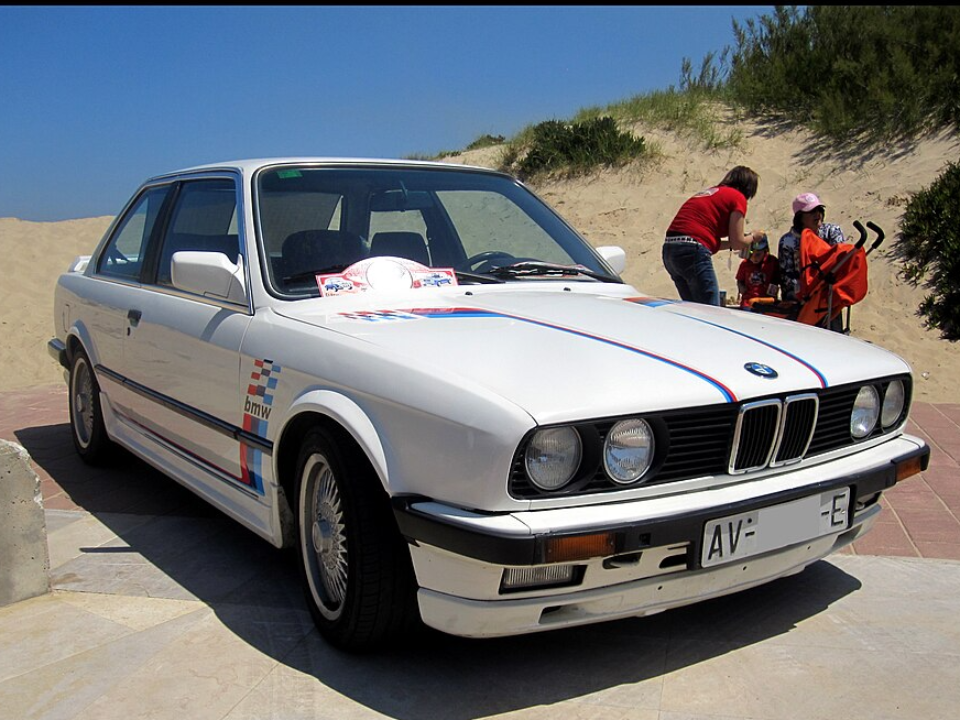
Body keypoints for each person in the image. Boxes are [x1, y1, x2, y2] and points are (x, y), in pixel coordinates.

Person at [662, 166, 766, 306]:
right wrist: (753, 237)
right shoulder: (737, 197)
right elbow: (737, 242)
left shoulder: (711, 193)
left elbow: (706, 239)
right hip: (692, 250)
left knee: (692, 308)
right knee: (710, 309)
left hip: (670, 250)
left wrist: (736, 242)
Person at [778, 192, 846, 302]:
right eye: (811, 211)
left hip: (829, 294)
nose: (817, 214)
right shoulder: (787, 241)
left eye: (819, 210)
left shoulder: (832, 232)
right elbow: (787, 277)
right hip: (802, 298)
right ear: (800, 217)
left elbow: (841, 261)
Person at [736, 235, 780, 308]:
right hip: (748, 303)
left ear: (765, 251)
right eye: (751, 253)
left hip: (765, 303)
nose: (754, 258)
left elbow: (776, 281)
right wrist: (742, 289)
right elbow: (740, 280)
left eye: (758, 254)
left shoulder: (772, 262)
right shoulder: (745, 264)